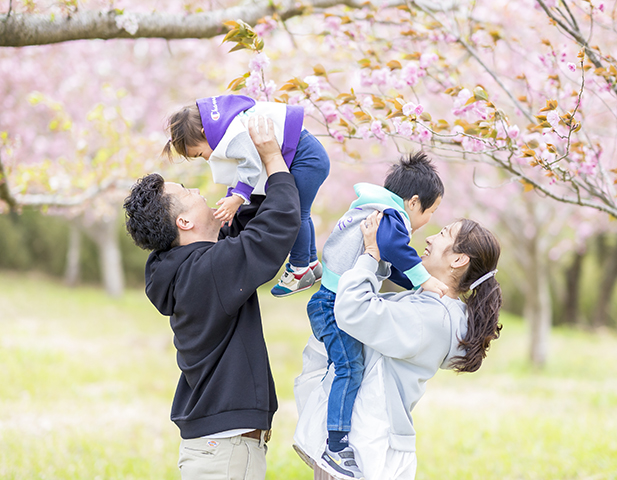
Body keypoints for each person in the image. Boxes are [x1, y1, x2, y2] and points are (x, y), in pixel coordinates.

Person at [123, 116, 300, 480]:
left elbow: (249, 225)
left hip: (218, 445)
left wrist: (247, 180)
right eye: (188, 192)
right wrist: (272, 159)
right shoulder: (206, 272)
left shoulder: (183, 267)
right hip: (226, 449)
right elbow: (275, 228)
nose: (200, 192)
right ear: (184, 223)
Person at [294, 211, 503, 480]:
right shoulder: (433, 308)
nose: (430, 238)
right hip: (366, 443)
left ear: (459, 260)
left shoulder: (431, 318)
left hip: (364, 447)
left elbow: (353, 310)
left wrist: (370, 254)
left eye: (442, 235)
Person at [306, 153, 449, 479]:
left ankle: (331, 433)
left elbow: (393, 265)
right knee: (350, 369)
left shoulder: (372, 209)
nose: (429, 219)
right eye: (432, 211)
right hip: (331, 306)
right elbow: (394, 250)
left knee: (344, 370)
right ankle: (336, 446)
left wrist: (417, 286)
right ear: (414, 202)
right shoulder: (389, 217)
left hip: (329, 299)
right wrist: (424, 280)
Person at [162, 94, 330, 297]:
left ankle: (299, 268)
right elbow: (239, 170)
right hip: (307, 153)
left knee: (297, 214)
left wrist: (237, 198)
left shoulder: (232, 137)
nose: (207, 158)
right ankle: (311, 263)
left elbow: (250, 165)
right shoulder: (226, 123)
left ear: (204, 133)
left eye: (200, 154)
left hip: (306, 159)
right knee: (303, 212)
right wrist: (233, 197)